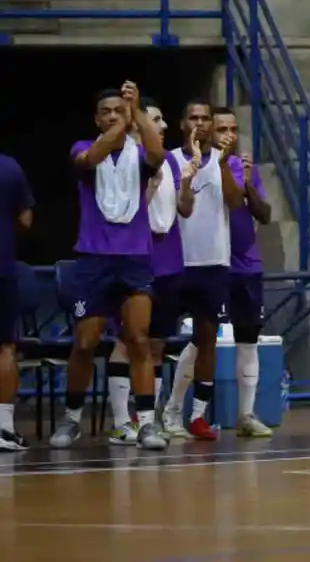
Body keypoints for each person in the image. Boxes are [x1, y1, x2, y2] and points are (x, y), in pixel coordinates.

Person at [50, 83, 170, 450]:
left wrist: (138, 115)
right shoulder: (83, 149)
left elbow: (157, 153)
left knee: (138, 339)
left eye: (120, 110)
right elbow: (94, 156)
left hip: (134, 257)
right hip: (94, 259)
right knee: (85, 343)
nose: (114, 116)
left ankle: (147, 423)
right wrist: (127, 118)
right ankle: (71, 419)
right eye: (107, 112)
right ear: (96, 118)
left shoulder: (139, 155)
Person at [106, 97, 189, 444]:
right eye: (155, 119)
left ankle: (148, 420)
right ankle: (123, 422)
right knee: (128, 340)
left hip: (169, 260)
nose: (163, 125)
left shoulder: (171, 159)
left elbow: (181, 210)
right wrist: (150, 183)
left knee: (155, 344)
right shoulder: (124, 160)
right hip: (136, 257)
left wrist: (188, 182)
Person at [162, 104, 244, 441]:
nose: (199, 123)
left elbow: (236, 201)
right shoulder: (167, 160)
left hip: (213, 262)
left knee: (206, 339)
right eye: (193, 118)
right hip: (173, 261)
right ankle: (158, 415)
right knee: (155, 341)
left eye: (205, 119)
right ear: (183, 123)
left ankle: (197, 416)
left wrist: (221, 165)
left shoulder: (226, 162)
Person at [226, 123, 274, 437]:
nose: (227, 135)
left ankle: (246, 415)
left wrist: (248, 185)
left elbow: (265, 214)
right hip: (210, 267)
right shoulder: (194, 166)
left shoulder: (246, 168)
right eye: (221, 129)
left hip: (247, 269)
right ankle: (175, 413)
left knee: (248, 340)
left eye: (233, 128)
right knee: (198, 340)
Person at [0, 152, 33, 451]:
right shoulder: (9, 166)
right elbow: (25, 219)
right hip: (2, 268)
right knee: (4, 346)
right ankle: (3, 428)